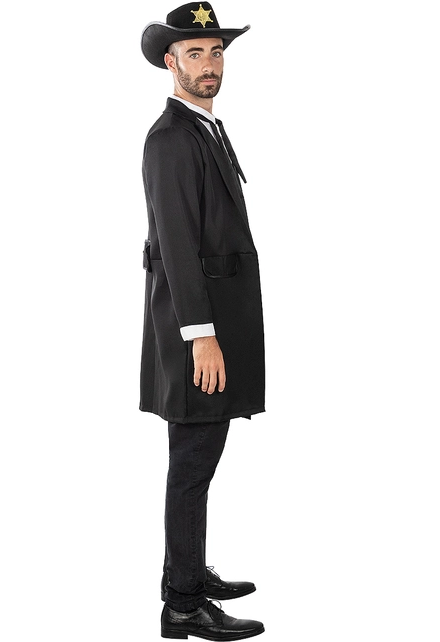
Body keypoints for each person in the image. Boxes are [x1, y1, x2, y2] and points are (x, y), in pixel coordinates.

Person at [140, 3, 265, 639]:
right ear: (171, 61)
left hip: (216, 324)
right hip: (198, 331)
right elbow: (177, 246)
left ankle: (184, 571)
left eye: (216, 52)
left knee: (198, 460)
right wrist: (202, 337)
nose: (209, 64)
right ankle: (184, 604)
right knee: (192, 465)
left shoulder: (205, 128)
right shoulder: (170, 139)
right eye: (195, 53)